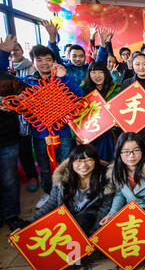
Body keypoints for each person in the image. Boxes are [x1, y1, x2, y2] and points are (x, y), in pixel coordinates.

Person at [0, 38, 84, 210]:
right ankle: (48, 193)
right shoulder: (28, 83)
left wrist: (64, 79)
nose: (44, 63)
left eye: (48, 59)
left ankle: (69, 194)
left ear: (54, 61)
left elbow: (79, 95)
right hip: (40, 135)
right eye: (39, 60)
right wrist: (10, 106)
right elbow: (21, 104)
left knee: (67, 164)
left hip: (63, 132)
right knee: (45, 168)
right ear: (33, 62)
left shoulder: (63, 76)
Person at [11, 144, 114, 236]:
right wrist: (27, 225)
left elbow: (103, 210)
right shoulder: (62, 179)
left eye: (88, 160)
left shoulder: (106, 181)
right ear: (71, 163)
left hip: (88, 220)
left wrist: (93, 235)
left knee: (80, 223)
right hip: (64, 217)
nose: (83, 165)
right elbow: (51, 204)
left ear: (96, 161)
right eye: (78, 161)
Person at [100, 132, 145, 227]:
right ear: (119, 153)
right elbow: (119, 195)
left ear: (142, 151)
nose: (131, 156)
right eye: (126, 151)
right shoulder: (116, 171)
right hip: (128, 210)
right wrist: (112, 214)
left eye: (136, 150)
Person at [7, 42, 39, 191]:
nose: (14, 53)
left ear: (21, 51)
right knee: (19, 149)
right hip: (12, 116)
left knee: (29, 148)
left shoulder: (32, 67)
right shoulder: (5, 70)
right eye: (11, 51)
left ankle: (33, 176)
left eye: (17, 50)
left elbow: (33, 91)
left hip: (30, 114)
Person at [0, 56, 27, 230]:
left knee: (9, 179)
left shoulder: (7, 76)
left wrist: (16, 103)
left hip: (7, 137)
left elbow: (25, 94)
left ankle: (11, 215)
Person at [43, 20, 109, 87]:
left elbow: (101, 63)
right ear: (69, 56)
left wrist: (103, 43)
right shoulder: (64, 68)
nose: (78, 59)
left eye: (81, 56)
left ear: (85, 57)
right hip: (68, 96)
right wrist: (52, 38)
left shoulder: (89, 68)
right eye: (74, 56)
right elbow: (55, 55)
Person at [80, 61, 122, 162]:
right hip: (90, 132)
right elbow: (77, 114)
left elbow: (120, 109)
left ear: (106, 73)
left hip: (110, 132)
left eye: (100, 72)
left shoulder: (115, 89)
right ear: (89, 74)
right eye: (93, 72)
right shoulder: (83, 90)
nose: (97, 76)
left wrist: (118, 121)